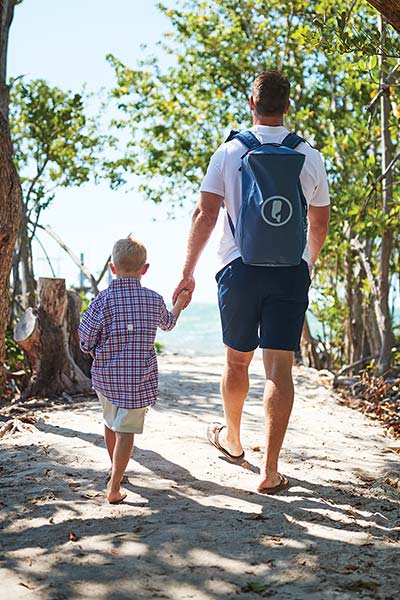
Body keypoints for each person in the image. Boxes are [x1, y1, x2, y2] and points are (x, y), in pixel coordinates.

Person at [173, 70, 330, 494]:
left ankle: (235, 441)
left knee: (237, 360)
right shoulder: (309, 156)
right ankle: (271, 470)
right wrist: (306, 263)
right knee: (278, 368)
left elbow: (205, 214)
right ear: (288, 105)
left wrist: (188, 272)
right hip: (290, 271)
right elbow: (319, 222)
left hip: (239, 269)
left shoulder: (229, 152)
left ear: (251, 104)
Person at [79, 235, 189, 504]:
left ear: (112, 268)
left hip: (106, 377)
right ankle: (114, 487)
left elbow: (84, 339)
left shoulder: (102, 300)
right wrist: (180, 304)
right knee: (126, 431)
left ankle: (114, 470)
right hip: (137, 378)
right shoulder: (153, 299)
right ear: (145, 269)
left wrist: (93, 349)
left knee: (110, 421)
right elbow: (168, 323)